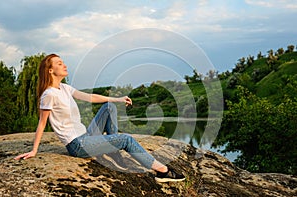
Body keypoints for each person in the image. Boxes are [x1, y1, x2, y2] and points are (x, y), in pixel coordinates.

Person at [14, 53, 185, 183]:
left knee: (109, 108)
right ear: (50, 70)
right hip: (78, 145)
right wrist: (34, 150)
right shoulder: (49, 95)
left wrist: (117, 99)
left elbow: (90, 97)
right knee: (126, 139)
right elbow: (42, 122)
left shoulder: (64, 88)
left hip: (86, 136)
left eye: (63, 62)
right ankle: (162, 172)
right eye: (59, 63)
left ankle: (113, 149)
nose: (64, 65)